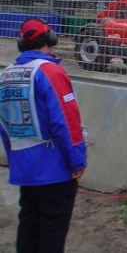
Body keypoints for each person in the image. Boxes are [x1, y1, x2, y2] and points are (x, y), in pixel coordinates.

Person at [0, 18, 87, 253]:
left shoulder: (6, 75)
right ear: (50, 40)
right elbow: (65, 122)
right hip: (54, 170)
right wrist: (77, 160)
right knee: (52, 229)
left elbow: (5, 127)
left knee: (29, 223)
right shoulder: (50, 71)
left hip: (25, 168)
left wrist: (15, 158)